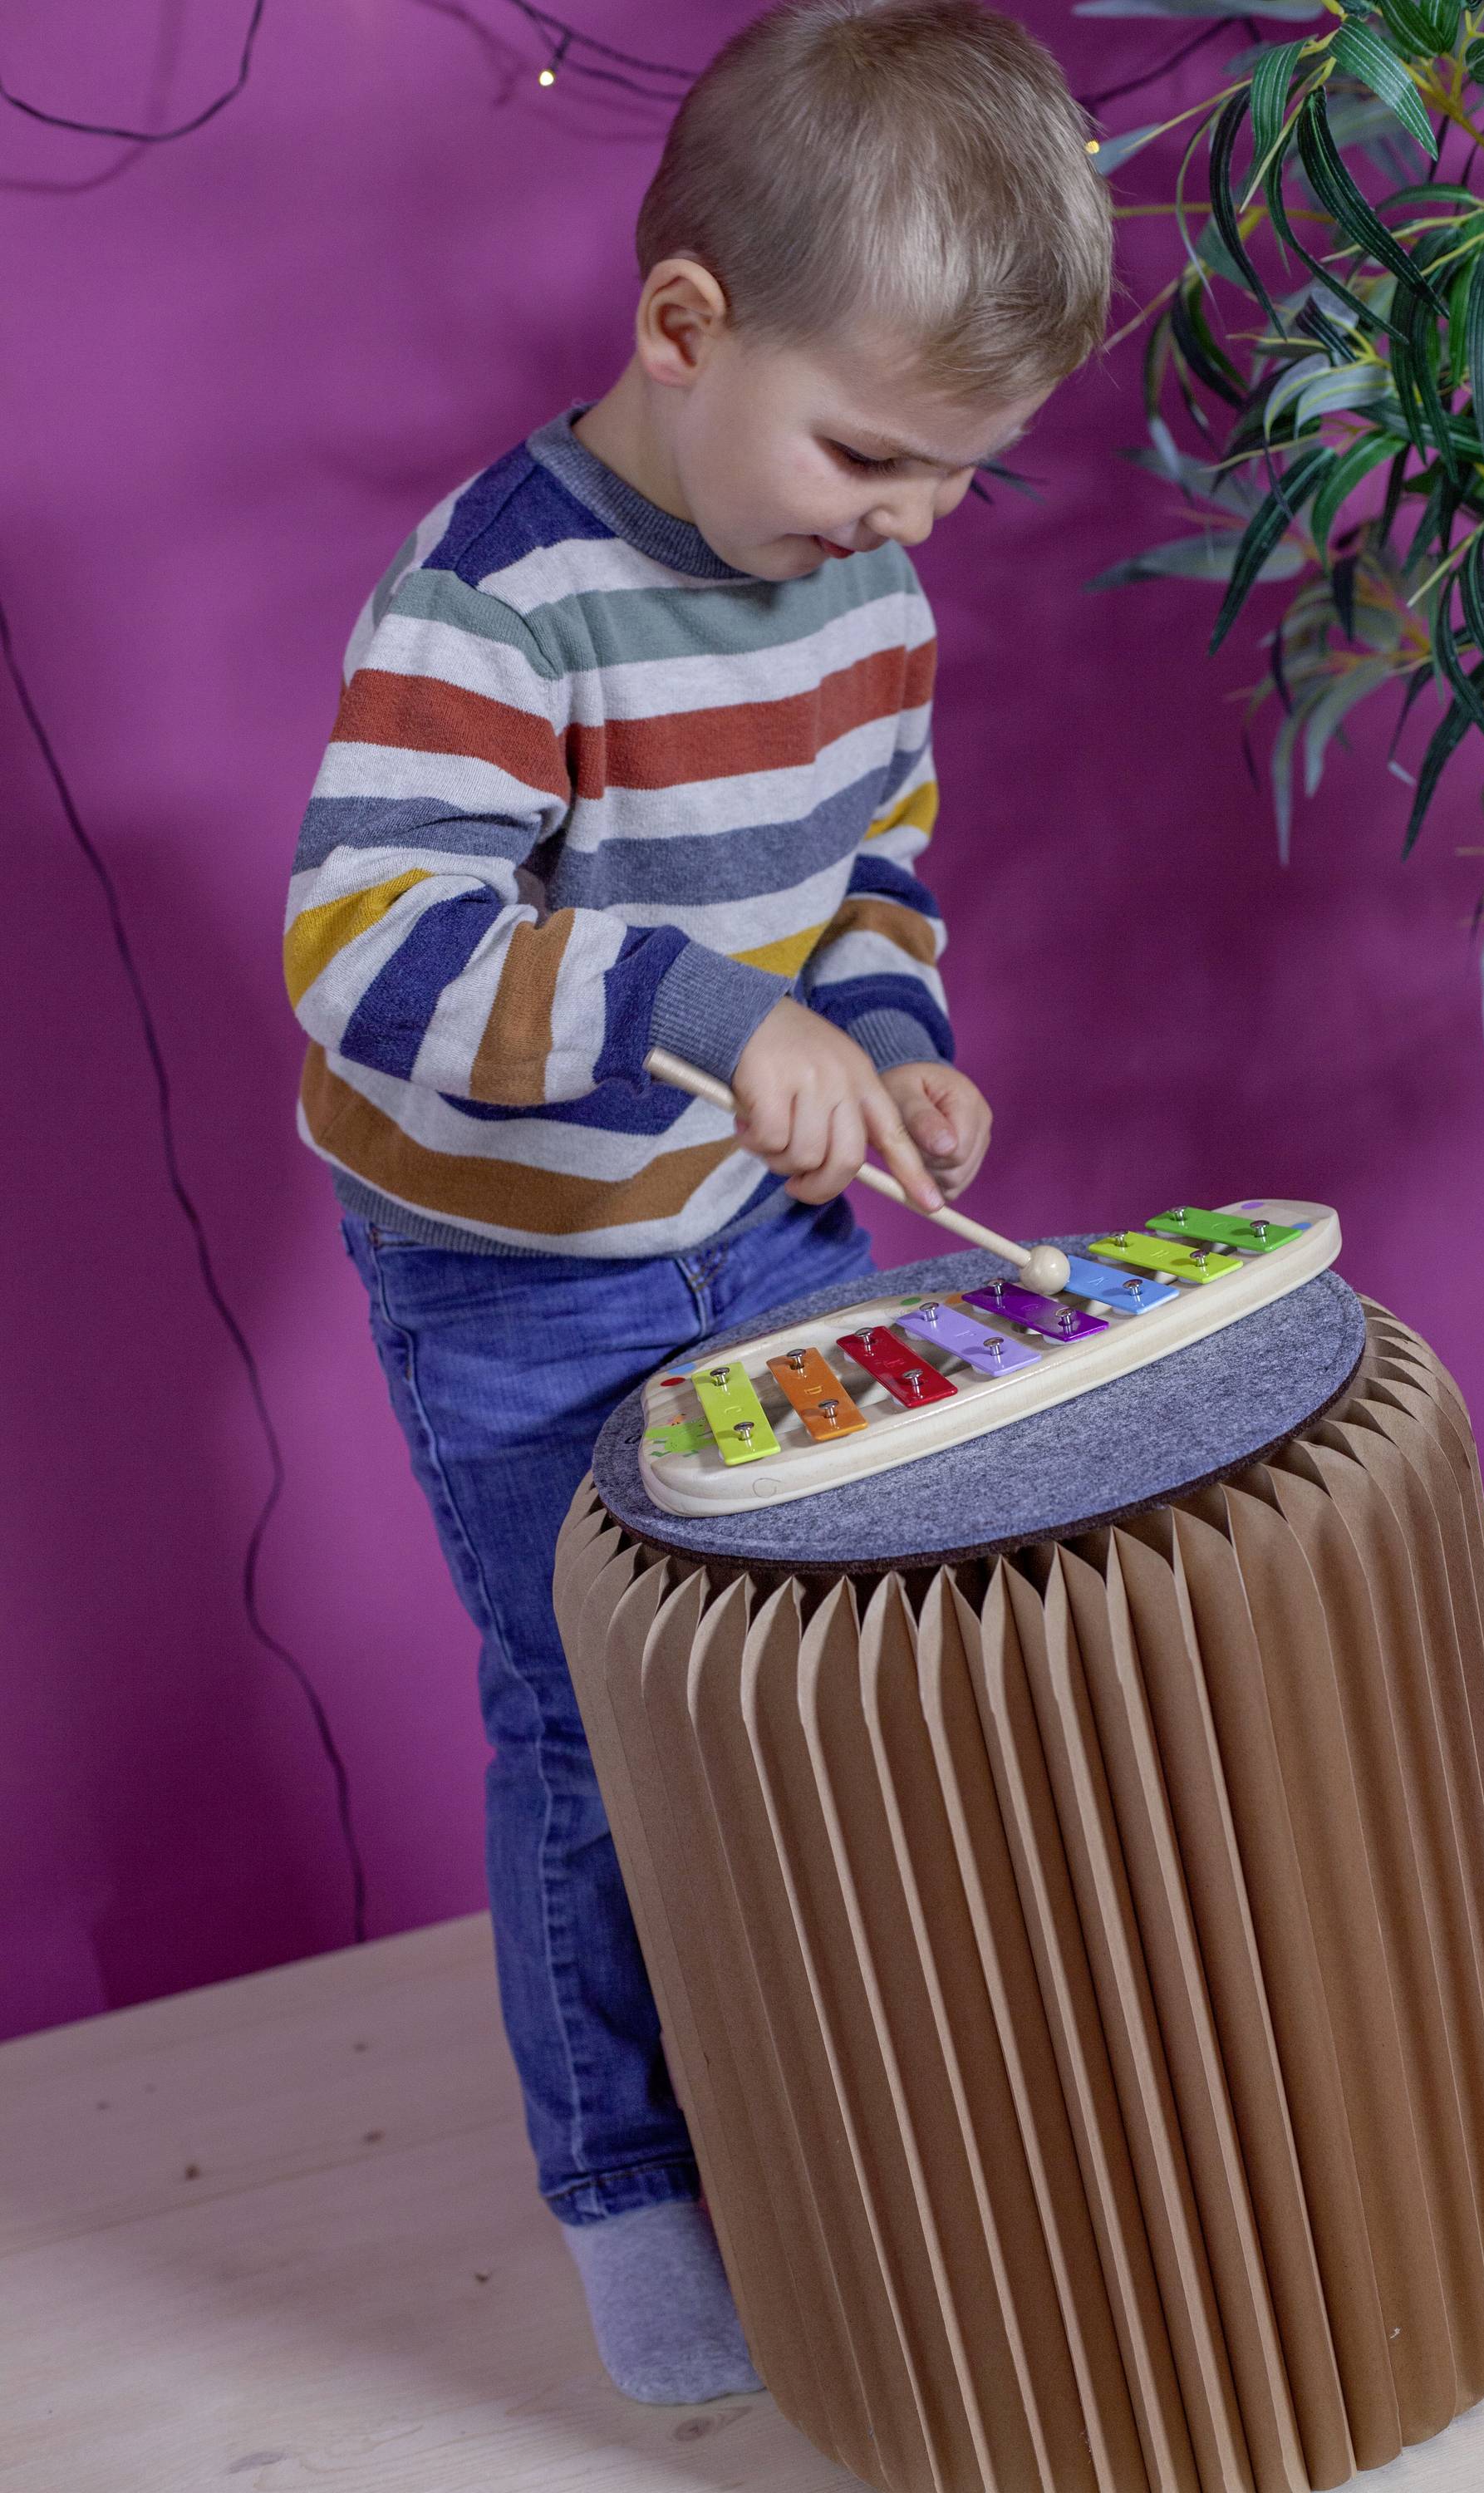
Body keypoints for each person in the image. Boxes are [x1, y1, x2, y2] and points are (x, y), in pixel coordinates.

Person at [283, 0, 1113, 2407]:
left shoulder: (866, 591)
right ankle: (640, 2218)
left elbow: (873, 879)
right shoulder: (497, 601)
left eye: (964, 479)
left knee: (836, 1659)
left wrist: (894, 1037)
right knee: (597, 1722)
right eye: (875, 451)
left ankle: (846, 2119)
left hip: (761, 1231)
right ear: (682, 328)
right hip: (519, 1276)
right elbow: (371, 957)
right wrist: (696, 1010)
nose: (910, 522)